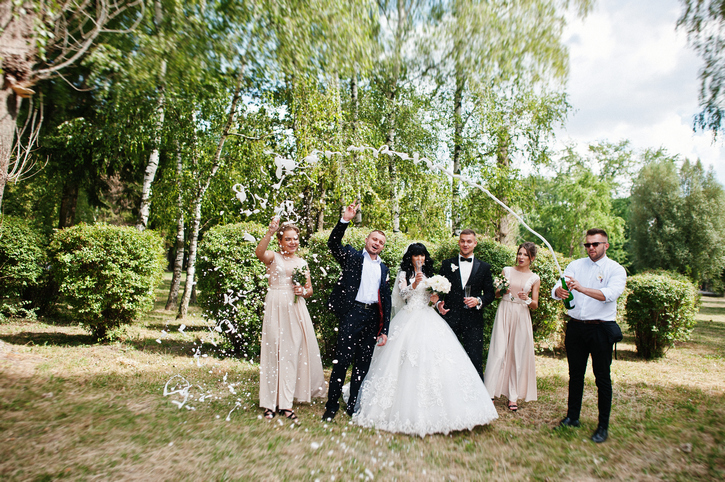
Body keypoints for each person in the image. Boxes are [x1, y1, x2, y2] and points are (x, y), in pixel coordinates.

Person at [353, 243, 498, 437]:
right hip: (409, 316)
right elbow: (402, 295)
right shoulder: (404, 274)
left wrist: (438, 301)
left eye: (422, 255)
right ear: (410, 258)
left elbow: (432, 296)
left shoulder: (430, 273)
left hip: (428, 316)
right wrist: (414, 284)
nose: (419, 259)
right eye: (416, 256)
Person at [552, 228, 626, 443]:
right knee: (575, 375)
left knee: (602, 378)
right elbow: (560, 284)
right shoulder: (576, 265)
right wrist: (558, 291)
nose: (591, 248)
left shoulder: (616, 269)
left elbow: (610, 295)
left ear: (606, 245)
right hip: (576, 328)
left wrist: (582, 289)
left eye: (596, 244)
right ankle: (572, 417)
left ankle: (603, 426)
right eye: (588, 244)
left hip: (601, 329)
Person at [322, 201, 392, 421]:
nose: (377, 243)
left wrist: (385, 329)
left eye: (381, 242)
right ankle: (331, 406)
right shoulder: (352, 257)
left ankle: (353, 405)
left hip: (372, 318)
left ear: (382, 247)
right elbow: (333, 243)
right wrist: (345, 220)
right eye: (374, 239)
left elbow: (387, 301)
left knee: (363, 364)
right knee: (342, 361)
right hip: (352, 314)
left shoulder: (384, 268)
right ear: (366, 240)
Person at [255, 217, 326, 422]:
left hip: (295, 308)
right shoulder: (273, 257)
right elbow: (259, 253)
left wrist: (303, 291)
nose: (293, 242)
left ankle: (286, 404)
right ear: (280, 241)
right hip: (276, 303)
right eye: (288, 239)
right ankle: (269, 403)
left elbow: (309, 289)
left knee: (290, 353)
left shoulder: (302, 262)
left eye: (295, 238)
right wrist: (270, 231)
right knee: (272, 351)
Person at [484, 242, 541, 412]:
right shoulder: (506, 271)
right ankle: (489, 392)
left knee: (517, 353)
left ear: (532, 258)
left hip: (521, 314)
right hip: (504, 310)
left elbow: (535, 304)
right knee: (498, 350)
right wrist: (502, 291)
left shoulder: (535, 278)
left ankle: (513, 396)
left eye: (525, 255)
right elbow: (496, 294)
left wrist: (527, 299)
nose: (521, 257)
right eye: (520, 253)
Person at [436, 229, 495, 379]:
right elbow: (437, 289)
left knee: (474, 358)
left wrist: (478, 300)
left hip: (473, 320)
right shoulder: (447, 264)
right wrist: (438, 304)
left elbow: (490, 294)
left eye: (469, 241)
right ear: (459, 242)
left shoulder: (484, 267)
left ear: (475, 243)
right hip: (450, 317)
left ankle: (476, 398)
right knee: (447, 356)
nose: (465, 244)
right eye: (462, 241)